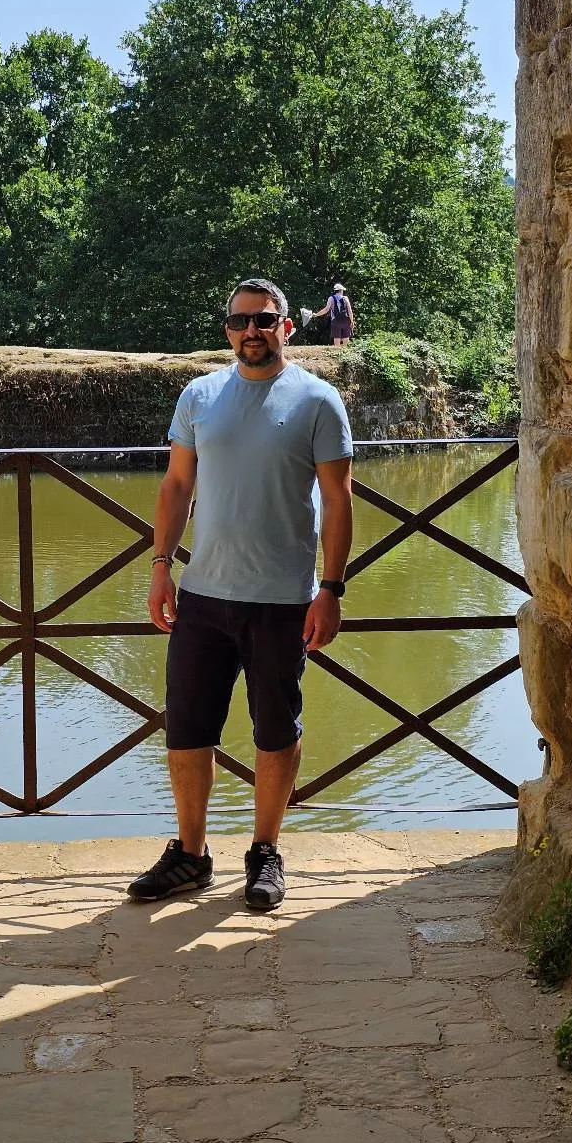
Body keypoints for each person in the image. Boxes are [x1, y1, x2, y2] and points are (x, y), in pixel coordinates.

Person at [127, 276, 353, 911]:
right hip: (203, 596)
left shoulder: (318, 399)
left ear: (286, 326)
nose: (251, 330)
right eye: (239, 321)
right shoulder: (199, 395)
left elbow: (339, 500)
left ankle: (264, 851)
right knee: (187, 727)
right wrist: (160, 566)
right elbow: (176, 486)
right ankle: (191, 855)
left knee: (275, 730)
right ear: (227, 331)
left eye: (264, 319)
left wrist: (331, 588)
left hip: (283, 600)